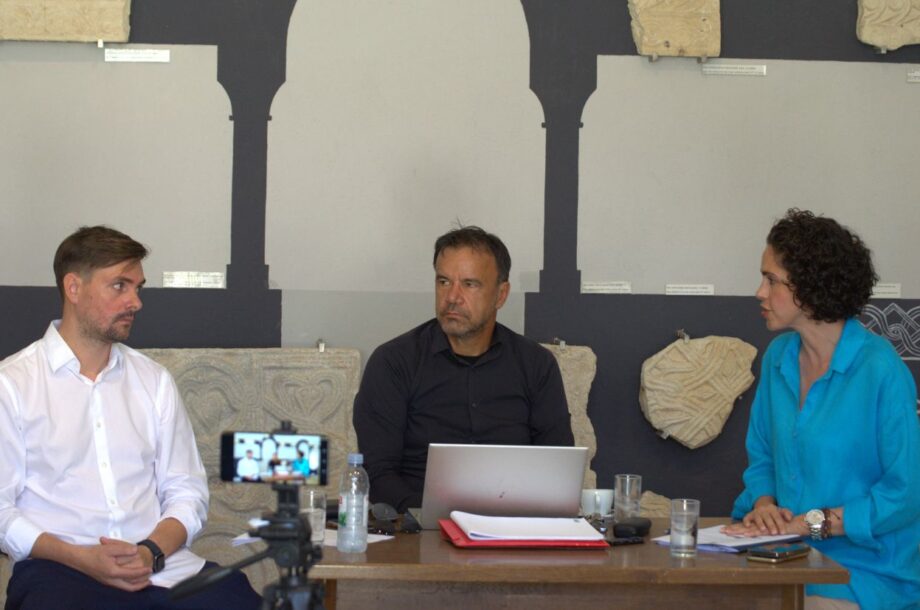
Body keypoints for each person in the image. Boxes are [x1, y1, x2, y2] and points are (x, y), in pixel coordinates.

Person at [0, 226, 261, 609]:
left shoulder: (154, 381)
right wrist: (81, 558)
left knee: (239, 598)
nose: (135, 302)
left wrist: (149, 551)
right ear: (73, 288)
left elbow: (186, 492)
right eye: (119, 286)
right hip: (60, 571)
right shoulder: (12, 384)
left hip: (161, 566)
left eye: (138, 288)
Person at [724, 210, 920, 609]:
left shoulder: (881, 371)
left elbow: (905, 495)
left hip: (865, 572)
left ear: (811, 287)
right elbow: (762, 459)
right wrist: (764, 506)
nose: (759, 292)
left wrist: (808, 524)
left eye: (771, 280)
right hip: (786, 558)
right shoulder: (777, 357)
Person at [353, 225, 575, 512]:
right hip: (415, 524)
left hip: (514, 524)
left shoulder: (536, 365)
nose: (452, 297)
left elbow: (557, 470)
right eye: (444, 281)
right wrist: (432, 517)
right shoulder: (394, 362)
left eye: (470, 284)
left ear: (501, 295)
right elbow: (377, 473)